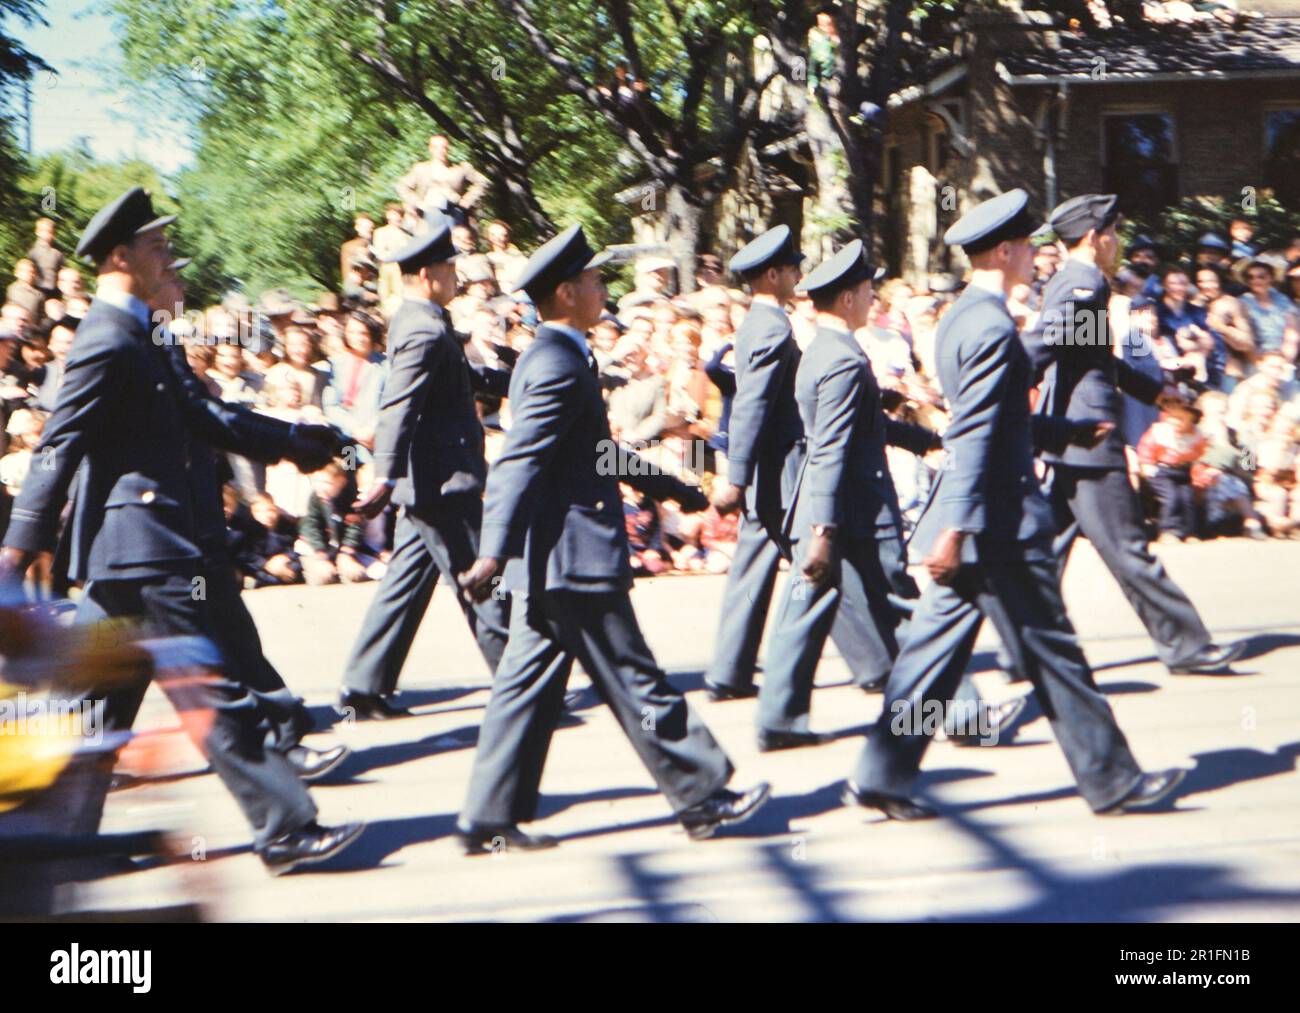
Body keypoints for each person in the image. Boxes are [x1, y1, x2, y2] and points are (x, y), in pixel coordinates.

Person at [0, 188, 363, 873]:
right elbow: (58, 444)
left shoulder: (141, 332)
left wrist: (298, 439)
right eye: (158, 247)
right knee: (210, 687)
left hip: (133, 555)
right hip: (145, 543)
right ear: (119, 256)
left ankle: (46, 842)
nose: (169, 258)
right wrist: (19, 544)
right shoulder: (107, 335)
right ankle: (286, 827)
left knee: (89, 711)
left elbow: (208, 419)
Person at [845, 189, 1185, 821]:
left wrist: (1065, 434)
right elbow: (972, 432)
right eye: (1027, 246)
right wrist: (961, 526)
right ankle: (1112, 780)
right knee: (1055, 650)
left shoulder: (960, 319)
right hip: (997, 521)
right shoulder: (992, 325)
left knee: (931, 658)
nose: (1036, 255)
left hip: (979, 521)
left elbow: (999, 420)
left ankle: (882, 771)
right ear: (1003, 251)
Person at [457, 224, 770, 852]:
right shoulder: (554, 359)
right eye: (596, 279)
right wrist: (492, 548)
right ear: (568, 292)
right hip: (573, 556)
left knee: (525, 688)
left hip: (557, 559)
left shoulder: (564, 353)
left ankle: (488, 817)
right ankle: (703, 793)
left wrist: (673, 487)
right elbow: (521, 459)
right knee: (635, 677)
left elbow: (595, 455)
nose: (604, 288)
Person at [1022, 193, 1243, 676]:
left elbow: (1088, 354)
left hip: (1070, 430)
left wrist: (1152, 385)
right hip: (1089, 433)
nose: (1117, 244)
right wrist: (1001, 373)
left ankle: (1028, 649)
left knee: (1046, 551)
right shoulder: (1083, 282)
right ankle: (1186, 645)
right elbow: (1050, 345)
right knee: (1127, 547)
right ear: (1095, 238)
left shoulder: (1075, 279)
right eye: (1114, 234)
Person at [755, 241, 961, 749]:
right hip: (856, 512)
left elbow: (861, 430)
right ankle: (962, 715)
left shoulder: (823, 351)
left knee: (802, 613)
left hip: (826, 506)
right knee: (908, 609)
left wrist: (928, 439)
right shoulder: (844, 358)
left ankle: (778, 720)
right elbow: (830, 448)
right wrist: (824, 532)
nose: (874, 296)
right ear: (847, 299)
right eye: (868, 289)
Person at [705, 226, 893, 700]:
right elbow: (751, 405)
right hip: (782, 468)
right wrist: (737, 476)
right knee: (819, 562)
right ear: (773, 275)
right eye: (791, 269)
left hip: (769, 468)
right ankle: (872, 662)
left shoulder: (759, 322)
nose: (797, 276)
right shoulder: (771, 326)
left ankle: (731, 669)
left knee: (765, 566)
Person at [337, 217, 512, 719]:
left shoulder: (425, 321)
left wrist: (512, 376)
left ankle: (363, 686)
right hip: (439, 480)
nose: (457, 276)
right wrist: (384, 476)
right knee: (481, 576)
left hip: (430, 480)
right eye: (451, 268)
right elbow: (400, 405)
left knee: (405, 586)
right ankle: (521, 682)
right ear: (430, 273)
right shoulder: (422, 325)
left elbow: (452, 379)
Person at [396, 133, 488, 226]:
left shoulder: (461, 168)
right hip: (426, 217)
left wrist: (467, 200)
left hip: (455, 216)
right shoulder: (421, 168)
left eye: (444, 147)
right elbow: (401, 186)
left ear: (449, 148)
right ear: (430, 148)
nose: (440, 150)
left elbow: (483, 182)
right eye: (436, 147)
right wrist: (418, 202)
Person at [27, 217, 65, 298]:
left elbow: (62, 271)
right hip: (37, 289)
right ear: (37, 232)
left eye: (50, 232)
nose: (47, 234)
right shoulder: (33, 252)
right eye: (43, 231)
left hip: (54, 290)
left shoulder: (57, 252)